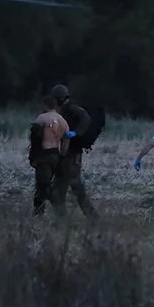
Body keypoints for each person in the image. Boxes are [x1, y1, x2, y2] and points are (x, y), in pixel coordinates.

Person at [48, 84, 98, 220]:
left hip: (72, 154)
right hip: (65, 154)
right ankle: (64, 220)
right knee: (59, 190)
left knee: (73, 187)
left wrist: (76, 133)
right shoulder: (62, 110)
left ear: (59, 98)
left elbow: (86, 118)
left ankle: (91, 218)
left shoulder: (72, 109)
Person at [29, 95, 70, 216]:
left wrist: (33, 157)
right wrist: (62, 153)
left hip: (44, 155)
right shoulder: (63, 121)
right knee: (42, 184)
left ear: (45, 105)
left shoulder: (42, 118)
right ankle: (38, 211)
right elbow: (67, 139)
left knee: (44, 184)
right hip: (55, 154)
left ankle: (58, 210)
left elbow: (34, 139)